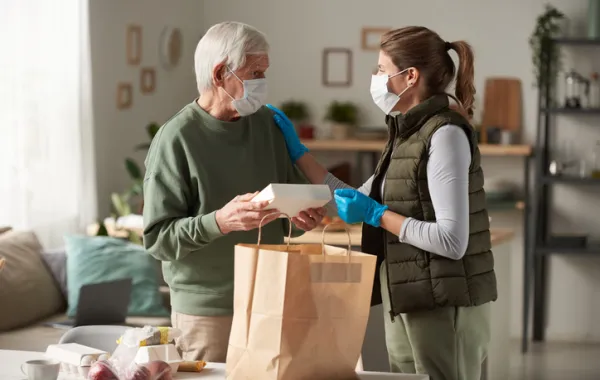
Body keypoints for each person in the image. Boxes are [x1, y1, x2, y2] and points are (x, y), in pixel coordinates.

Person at [268, 26, 496, 380]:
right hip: (408, 296)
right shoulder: (406, 134)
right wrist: (298, 153)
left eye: (380, 69)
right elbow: (353, 195)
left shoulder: (445, 135)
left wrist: (376, 215)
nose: (374, 78)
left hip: (443, 304)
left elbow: (452, 242)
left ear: (410, 77)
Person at [142, 21, 326, 363]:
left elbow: (288, 204)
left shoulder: (268, 126)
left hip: (271, 300)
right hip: (207, 312)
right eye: (254, 72)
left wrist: (301, 216)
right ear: (219, 73)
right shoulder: (176, 139)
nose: (263, 83)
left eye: (264, 72)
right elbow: (158, 240)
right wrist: (220, 222)